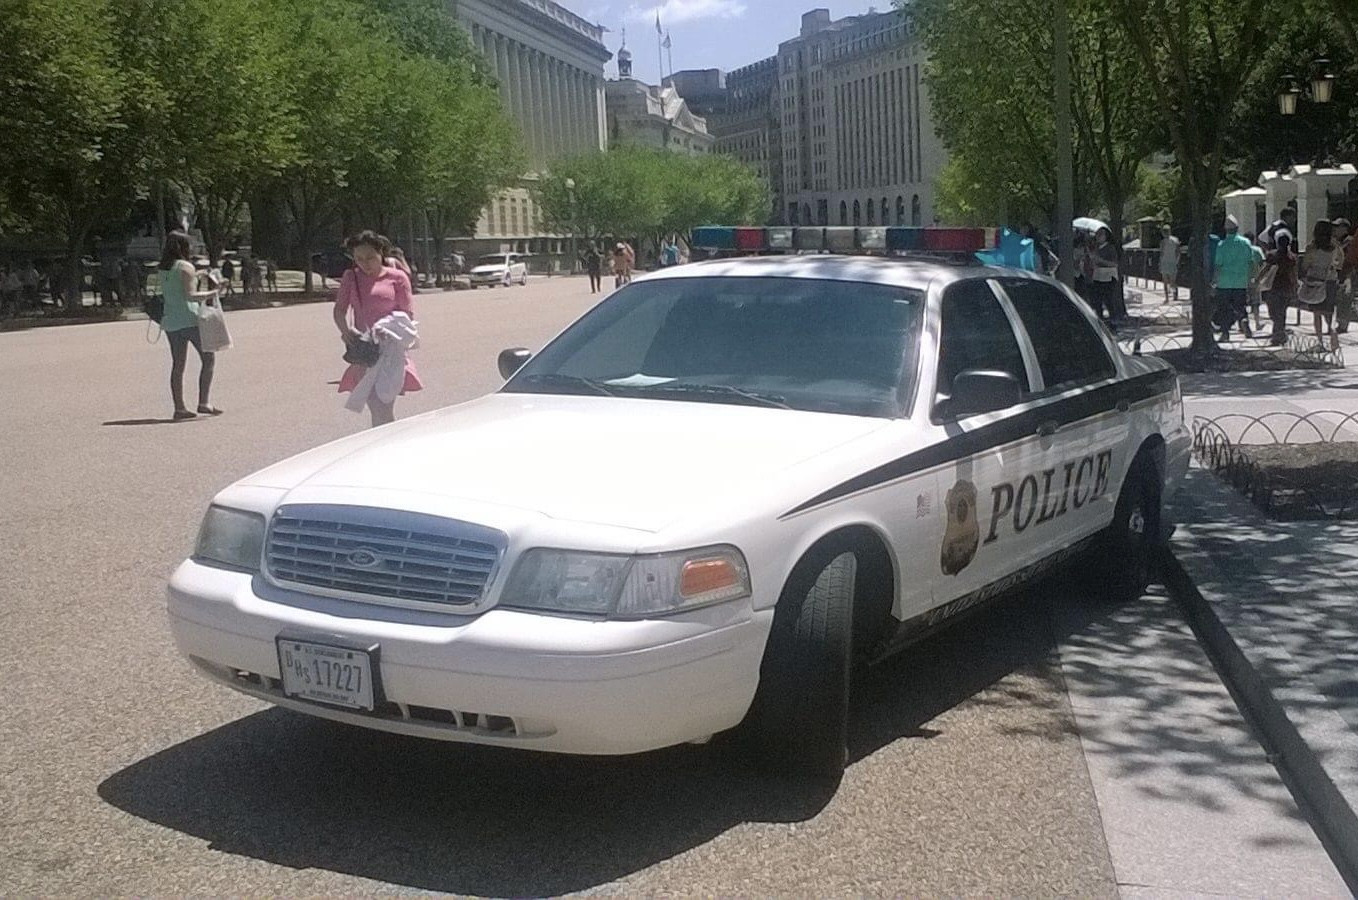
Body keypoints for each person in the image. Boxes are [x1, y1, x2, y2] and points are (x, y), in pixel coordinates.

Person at [334, 230, 422, 427]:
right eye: (359, 258)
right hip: (365, 352)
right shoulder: (351, 278)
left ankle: (385, 444)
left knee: (383, 405)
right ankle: (386, 443)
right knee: (376, 405)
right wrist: (346, 331)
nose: (365, 264)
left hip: (390, 351)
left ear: (381, 254)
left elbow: (407, 314)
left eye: (370, 258)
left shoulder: (397, 277)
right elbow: (339, 310)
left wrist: (387, 328)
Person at [158, 231, 222, 420]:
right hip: (190, 319)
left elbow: (178, 286)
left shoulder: (164, 267)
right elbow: (190, 295)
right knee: (208, 358)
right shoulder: (186, 266)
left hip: (171, 320)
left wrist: (198, 274)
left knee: (178, 365)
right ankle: (204, 402)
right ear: (183, 247)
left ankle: (179, 408)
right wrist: (213, 292)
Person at [1297, 219, 1341, 350]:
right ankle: (1334, 337)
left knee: (1317, 312)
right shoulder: (1335, 247)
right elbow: (1340, 261)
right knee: (1329, 311)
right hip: (1330, 280)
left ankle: (1320, 341)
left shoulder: (1312, 247)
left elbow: (1305, 264)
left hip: (1316, 280)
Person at [1213, 215, 1257, 341]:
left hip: (1224, 282)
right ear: (1237, 228)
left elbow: (1218, 266)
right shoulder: (1246, 243)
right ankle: (1244, 320)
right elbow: (1251, 262)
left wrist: (1214, 281)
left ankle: (1225, 333)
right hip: (1241, 281)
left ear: (1225, 229)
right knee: (1241, 305)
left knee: (1224, 308)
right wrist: (1252, 279)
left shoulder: (1222, 245)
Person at [1262, 230, 1297, 345]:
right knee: (1281, 311)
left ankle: (1277, 334)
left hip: (1273, 287)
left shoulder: (1272, 255)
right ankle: (1280, 333)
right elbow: (1293, 274)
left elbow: (1265, 269)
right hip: (1286, 287)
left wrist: (1257, 280)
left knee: (1273, 311)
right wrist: (1295, 285)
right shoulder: (1291, 258)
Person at [1090, 226, 1121, 324]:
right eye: (1097, 235)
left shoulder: (1110, 248)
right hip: (1098, 275)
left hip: (1108, 276)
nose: (1098, 237)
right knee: (1097, 300)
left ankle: (1113, 320)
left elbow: (1114, 264)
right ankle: (1100, 319)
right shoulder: (1096, 248)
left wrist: (1101, 260)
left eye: (1100, 235)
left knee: (1108, 299)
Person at [1334, 218, 1354, 334]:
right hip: (1339, 273)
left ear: (1344, 228)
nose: (1335, 229)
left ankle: (1343, 324)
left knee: (1346, 298)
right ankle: (1340, 323)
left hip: (1349, 272)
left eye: (1338, 227)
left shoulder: (1349, 241)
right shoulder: (1337, 241)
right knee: (1340, 298)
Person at [1244, 232, 1266, 332]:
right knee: (1255, 303)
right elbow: (1263, 263)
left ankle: (1243, 323)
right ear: (1254, 240)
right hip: (1255, 280)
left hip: (1242, 280)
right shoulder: (1257, 250)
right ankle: (1257, 323)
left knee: (1243, 303)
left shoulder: (1241, 250)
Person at [1158, 225, 1181, 304]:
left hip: (1165, 262)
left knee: (1165, 281)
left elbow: (1161, 253)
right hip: (1172, 262)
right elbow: (1178, 252)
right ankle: (1175, 295)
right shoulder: (1175, 240)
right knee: (1172, 281)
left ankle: (1167, 298)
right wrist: (1177, 261)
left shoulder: (1163, 242)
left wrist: (1160, 263)